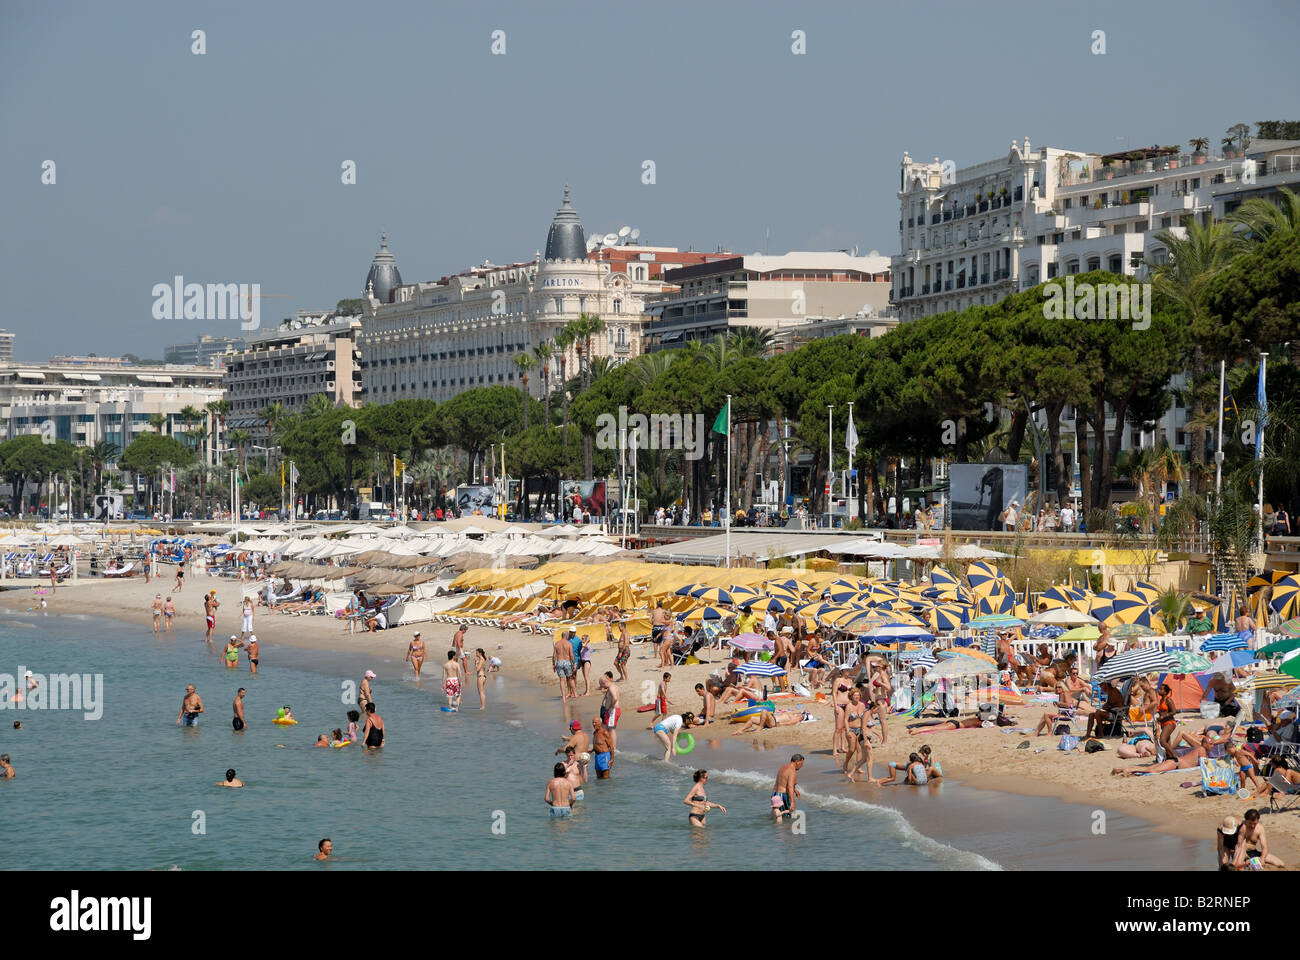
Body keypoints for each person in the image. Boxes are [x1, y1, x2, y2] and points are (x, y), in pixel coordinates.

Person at [842, 689, 875, 783]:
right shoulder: (849, 706)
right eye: (855, 695)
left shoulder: (862, 705)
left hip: (860, 729)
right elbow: (845, 720)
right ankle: (845, 764)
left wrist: (870, 724)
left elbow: (865, 717)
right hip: (851, 729)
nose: (857, 697)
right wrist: (847, 731)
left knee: (860, 750)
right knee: (852, 749)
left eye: (858, 695)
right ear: (851, 696)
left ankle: (858, 767)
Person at [772, 754, 804, 820]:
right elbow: (790, 786)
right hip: (782, 796)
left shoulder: (783, 767)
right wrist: (793, 802)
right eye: (801, 764)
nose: (801, 766)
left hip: (775, 794)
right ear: (797, 762)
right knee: (787, 818)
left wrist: (795, 790)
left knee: (777, 816)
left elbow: (783, 782)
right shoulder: (792, 771)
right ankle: (784, 830)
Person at [599, 672, 621, 752]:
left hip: (613, 710)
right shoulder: (613, 686)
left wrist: (610, 707)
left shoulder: (611, 687)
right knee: (606, 727)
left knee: (612, 729)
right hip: (612, 711)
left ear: (604, 682)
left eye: (601, 684)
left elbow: (615, 698)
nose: (602, 687)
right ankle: (607, 745)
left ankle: (614, 748)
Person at [552, 631, 576, 701]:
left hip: (559, 662)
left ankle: (563, 697)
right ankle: (575, 694)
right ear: (566, 636)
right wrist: (574, 664)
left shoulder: (557, 644)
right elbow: (571, 655)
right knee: (570, 678)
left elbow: (554, 656)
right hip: (567, 662)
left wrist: (554, 664)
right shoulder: (569, 643)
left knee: (562, 680)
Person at [591, 715, 613, 780]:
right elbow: (597, 745)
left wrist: (612, 760)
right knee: (598, 779)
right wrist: (592, 750)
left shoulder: (605, 733)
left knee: (606, 778)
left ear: (600, 723)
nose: (594, 724)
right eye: (593, 722)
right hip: (597, 757)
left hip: (605, 756)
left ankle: (607, 790)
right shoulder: (595, 733)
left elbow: (611, 747)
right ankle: (600, 790)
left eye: (595, 722)